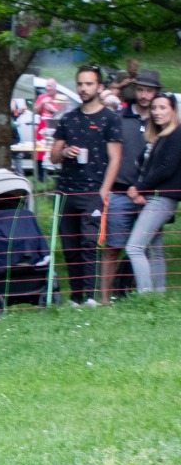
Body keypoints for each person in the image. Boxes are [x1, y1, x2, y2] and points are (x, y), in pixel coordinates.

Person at [50, 66, 123, 307]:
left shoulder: (110, 119)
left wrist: (104, 191)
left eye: (89, 84)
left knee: (89, 243)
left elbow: (115, 158)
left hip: (93, 190)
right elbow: (52, 156)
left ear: (99, 87)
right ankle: (76, 297)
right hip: (66, 190)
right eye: (80, 83)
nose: (83, 88)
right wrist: (64, 151)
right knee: (69, 245)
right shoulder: (68, 118)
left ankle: (91, 297)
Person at [102, 77, 155, 300]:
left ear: (156, 93)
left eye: (149, 91)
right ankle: (104, 299)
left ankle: (139, 295)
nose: (144, 95)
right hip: (120, 190)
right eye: (140, 90)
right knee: (113, 247)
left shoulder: (162, 118)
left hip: (150, 195)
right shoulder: (118, 118)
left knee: (145, 248)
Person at [126, 93, 179, 293]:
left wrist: (139, 188)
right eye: (154, 108)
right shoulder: (159, 137)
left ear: (173, 110)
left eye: (163, 108)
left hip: (162, 199)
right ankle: (158, 295)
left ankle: (145, 296)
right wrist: (139, 188)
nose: (157, 112)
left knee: (134, 248)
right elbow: (143, 166)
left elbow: (166, 168)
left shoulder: (176, 134)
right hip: (152, 197)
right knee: (154, 250)